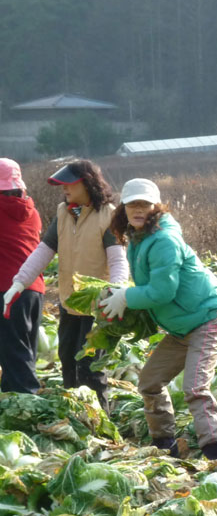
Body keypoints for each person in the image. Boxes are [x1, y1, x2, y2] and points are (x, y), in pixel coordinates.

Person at [102, 179, 217, 468]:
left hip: (206, 317)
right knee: (149, 382)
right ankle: (165, 446)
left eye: (144, 204)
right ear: (123, 208)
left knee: (195, 388)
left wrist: (127, 297)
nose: (138, 210)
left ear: (156, 207)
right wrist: (124, 296)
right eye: (132, 204)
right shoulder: (138, 238)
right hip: (182, 325)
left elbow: (162, 291)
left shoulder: (164, 240)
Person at [3, 160, 126, 410]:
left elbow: (117, 259)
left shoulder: (108, 215)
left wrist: (117, 291)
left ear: (87, 183)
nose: (64, 189)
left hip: (98, 305)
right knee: (68, 362)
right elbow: (43, 251)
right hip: (70, 303)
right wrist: (19, 282)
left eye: (69, 184)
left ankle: (99, 422)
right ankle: (76, 419)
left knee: (90, 369)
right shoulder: (64, 212)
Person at [0, 159, 44, 393]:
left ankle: (30, 406)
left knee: (15, 358)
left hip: (7, 291)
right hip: (34, 291)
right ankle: (12, 403)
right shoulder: (32, 212)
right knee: (24, 354)